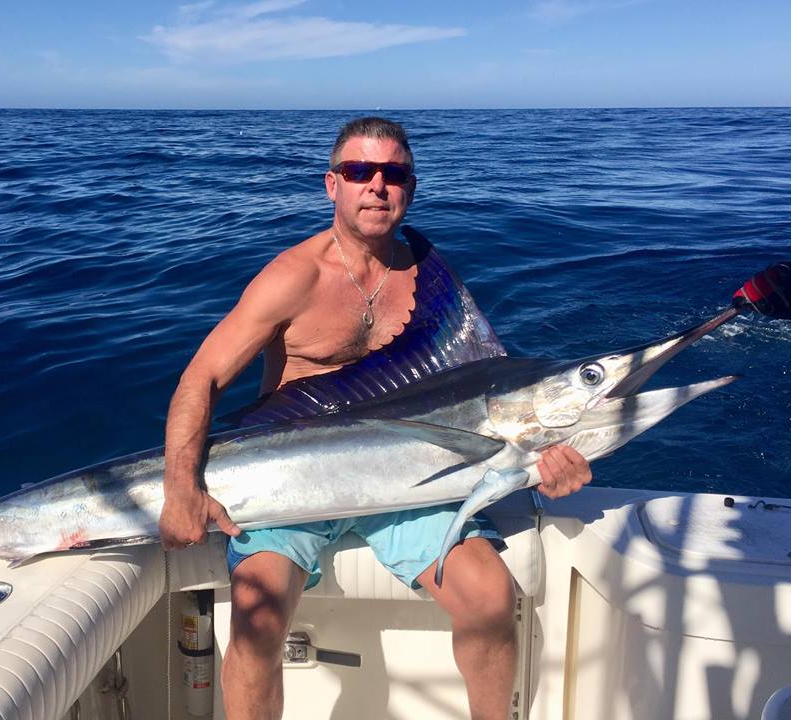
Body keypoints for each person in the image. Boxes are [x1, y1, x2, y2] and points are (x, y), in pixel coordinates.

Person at [160, 117, 592, 720]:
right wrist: (181, 486)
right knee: (256, 624)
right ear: (332, 184)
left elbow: (486, 396)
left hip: (405, 482)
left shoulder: (430, 278)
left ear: (411, 187)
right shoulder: (295, 277)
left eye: (394, 173)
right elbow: (199, 379)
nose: (377, 185)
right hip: (294, 484)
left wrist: (546, 462)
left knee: (491, 597)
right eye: (360, 170)